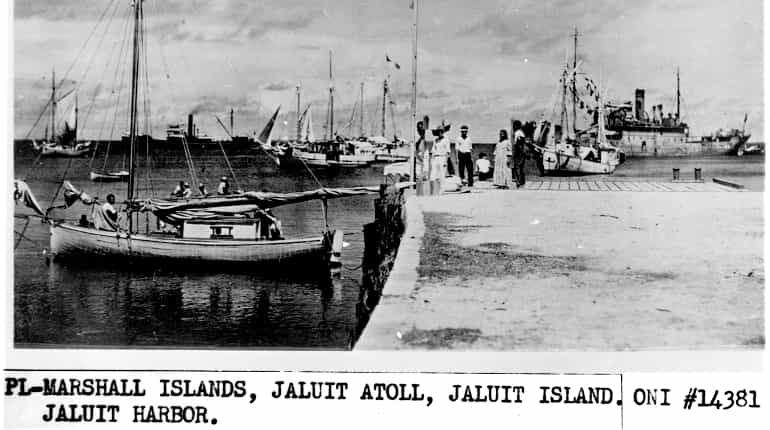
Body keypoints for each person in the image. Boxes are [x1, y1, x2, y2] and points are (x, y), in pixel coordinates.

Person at [512, 120, 526, 187]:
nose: (513, 127)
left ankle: (518, 181)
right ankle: (522, 181)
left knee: (517, 167)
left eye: (514, 125)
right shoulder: (522, 132)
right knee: (521, 168)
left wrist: (515, 152)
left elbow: (517, 143)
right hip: (522, 152)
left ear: (516, 126)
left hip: (519, 152)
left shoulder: (517, 133)